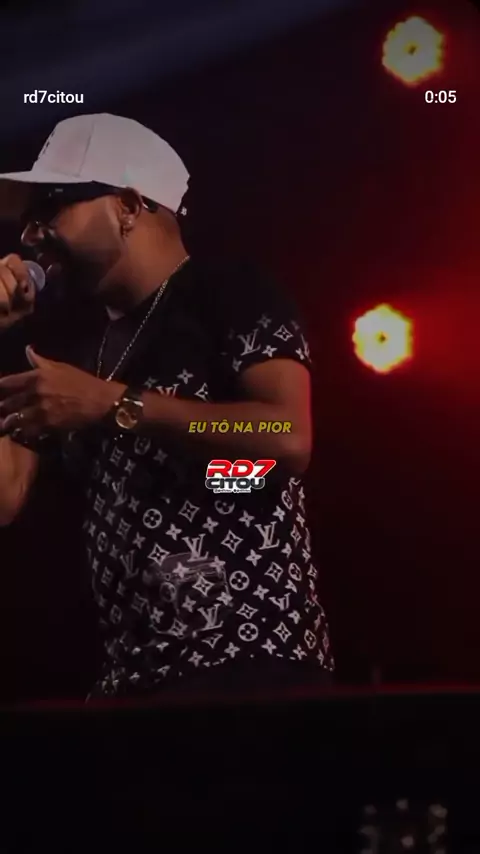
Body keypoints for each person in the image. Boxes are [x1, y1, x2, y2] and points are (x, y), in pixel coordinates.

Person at [0, 112, 333, 701]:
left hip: (249, 668)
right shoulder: (71, 346)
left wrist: (115, 405)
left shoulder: (228, 292)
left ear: (129, 205)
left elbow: (286, 439)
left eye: (51, 206)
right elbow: (6, 496)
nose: (29, 235)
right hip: (130, 685)